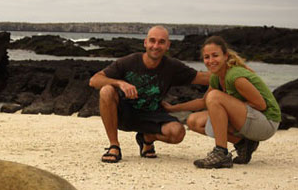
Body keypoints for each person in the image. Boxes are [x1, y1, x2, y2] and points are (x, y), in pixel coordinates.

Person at [89, 25, 209, 163]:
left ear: (168, 45)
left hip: (152, 115)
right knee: (106, 90)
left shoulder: (172, 66)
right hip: (124, 114)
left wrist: (231, 70)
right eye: (152, 41)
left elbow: (204, 78)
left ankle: (147, 138)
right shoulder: (130, 61)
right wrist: (120, 83)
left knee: (178, 133)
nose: (156, 46)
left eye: (161, 42)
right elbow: (94, 80)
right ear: (145, 43)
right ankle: (114, 146)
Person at [167, 36, 281, 169]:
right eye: (206, 57)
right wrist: (173, 108)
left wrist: (230, 110)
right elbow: (204, 101)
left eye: (215, 55)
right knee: (193, 121)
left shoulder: (235, 77)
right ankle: (244, 144)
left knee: (215, 97)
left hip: (267, 123)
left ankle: (221, 152)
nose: (210, 61)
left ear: (226, 56)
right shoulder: (216, 77)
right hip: (250, 120)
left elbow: (261, 105)